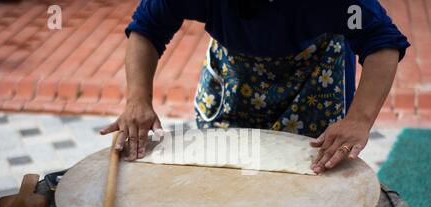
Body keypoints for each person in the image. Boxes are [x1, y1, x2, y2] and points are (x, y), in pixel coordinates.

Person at [100, 0, 409, 173]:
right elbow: (146, 29)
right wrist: (138, 99)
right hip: (235, 75)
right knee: (222, 173)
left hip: (315, 77)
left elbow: (380, 40)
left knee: (308, 176)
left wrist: (359, 119)